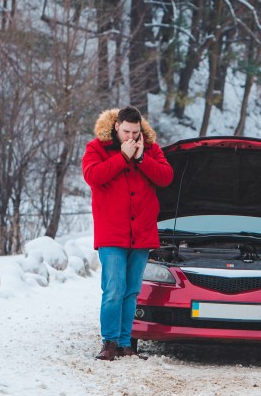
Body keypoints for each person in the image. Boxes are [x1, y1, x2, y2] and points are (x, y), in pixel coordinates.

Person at [82, 105, 174, 360]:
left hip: (142, 233)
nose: (131, 137)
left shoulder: (152, 149)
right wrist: (122, 157)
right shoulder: (96, 148)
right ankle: (109, 342)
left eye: (135, 132)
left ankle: (125, 343)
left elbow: (166, 177)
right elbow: (92, 176)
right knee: (113, 288)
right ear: (116, 127)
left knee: (132, 290)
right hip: (112, 233)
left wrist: (143, 158)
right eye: (126, 132)